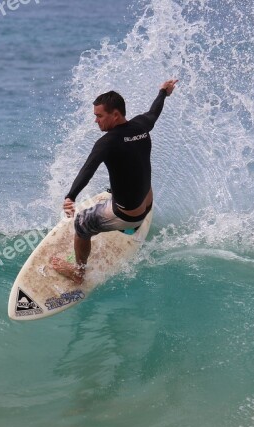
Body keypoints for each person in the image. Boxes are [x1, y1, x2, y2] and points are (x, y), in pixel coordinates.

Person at [50, 78, 178, 283]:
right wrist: (163, 92)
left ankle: (78, 272)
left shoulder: (107, 142)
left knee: (82, 223)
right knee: (115, 183)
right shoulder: (141, 124)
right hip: (146, 202)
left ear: (115, 114)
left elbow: (87, 170)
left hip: (129, 214)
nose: (96, 121)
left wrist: (70, 196)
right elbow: (154, 112)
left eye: (99, 116)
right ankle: (130, 226)